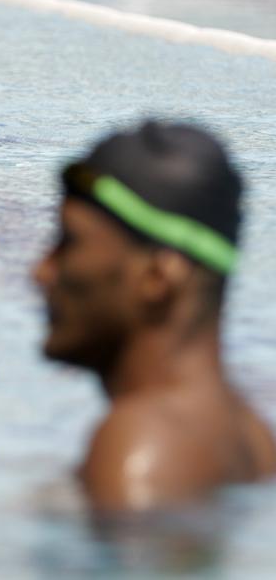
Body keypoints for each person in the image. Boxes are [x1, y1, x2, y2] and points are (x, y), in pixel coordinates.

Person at [32, 121, 276, 513]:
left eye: (69, 242)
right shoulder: (253, 436)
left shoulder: (140, 447)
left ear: (157, 278)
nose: (42, 271)